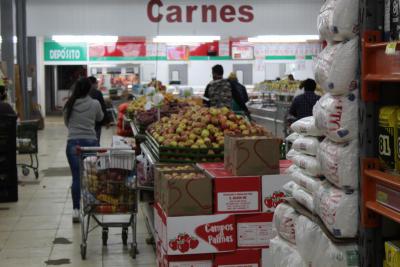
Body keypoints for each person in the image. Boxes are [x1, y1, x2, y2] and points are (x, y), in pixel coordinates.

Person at [64, 78, 104, 223]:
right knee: (90, 176)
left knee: (76, 177)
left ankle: (75, 210)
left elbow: (67, 123)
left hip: (73, 143)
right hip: (90, 143)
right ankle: (91, 205)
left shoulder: (69, 104)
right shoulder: (95, 103)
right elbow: (100, 117)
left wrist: (76, 131)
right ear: (89, 89)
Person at [88, 76, 108, 143]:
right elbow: (103, 107)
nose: (97, 85)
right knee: (96, 141)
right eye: (96, 83)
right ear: (93, 84)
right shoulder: (97, 93)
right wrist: (106, 121)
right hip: (96, 122)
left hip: (87, 123)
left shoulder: (83, 93)